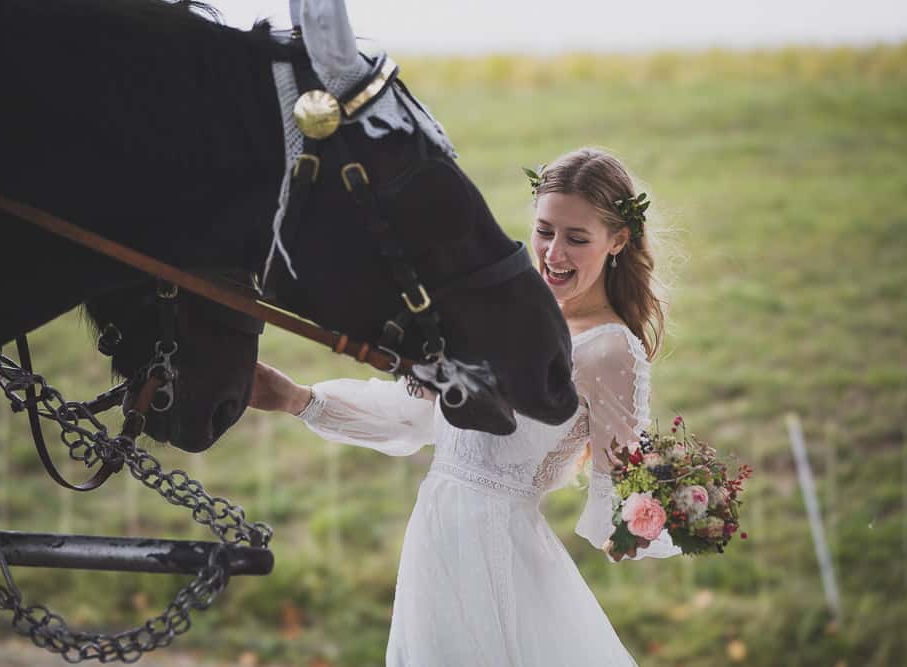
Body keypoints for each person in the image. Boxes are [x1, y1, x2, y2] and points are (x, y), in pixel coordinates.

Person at [249, 147, 681, 666]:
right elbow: (421, 416)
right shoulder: (509, 317)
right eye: (545, 230)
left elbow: (618, 492)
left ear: (619, 240)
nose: (553, 253)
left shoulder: (609, 350)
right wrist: (296, 399)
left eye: (577, 238)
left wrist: (655, 514)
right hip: (435, 538)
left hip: (497, 552)